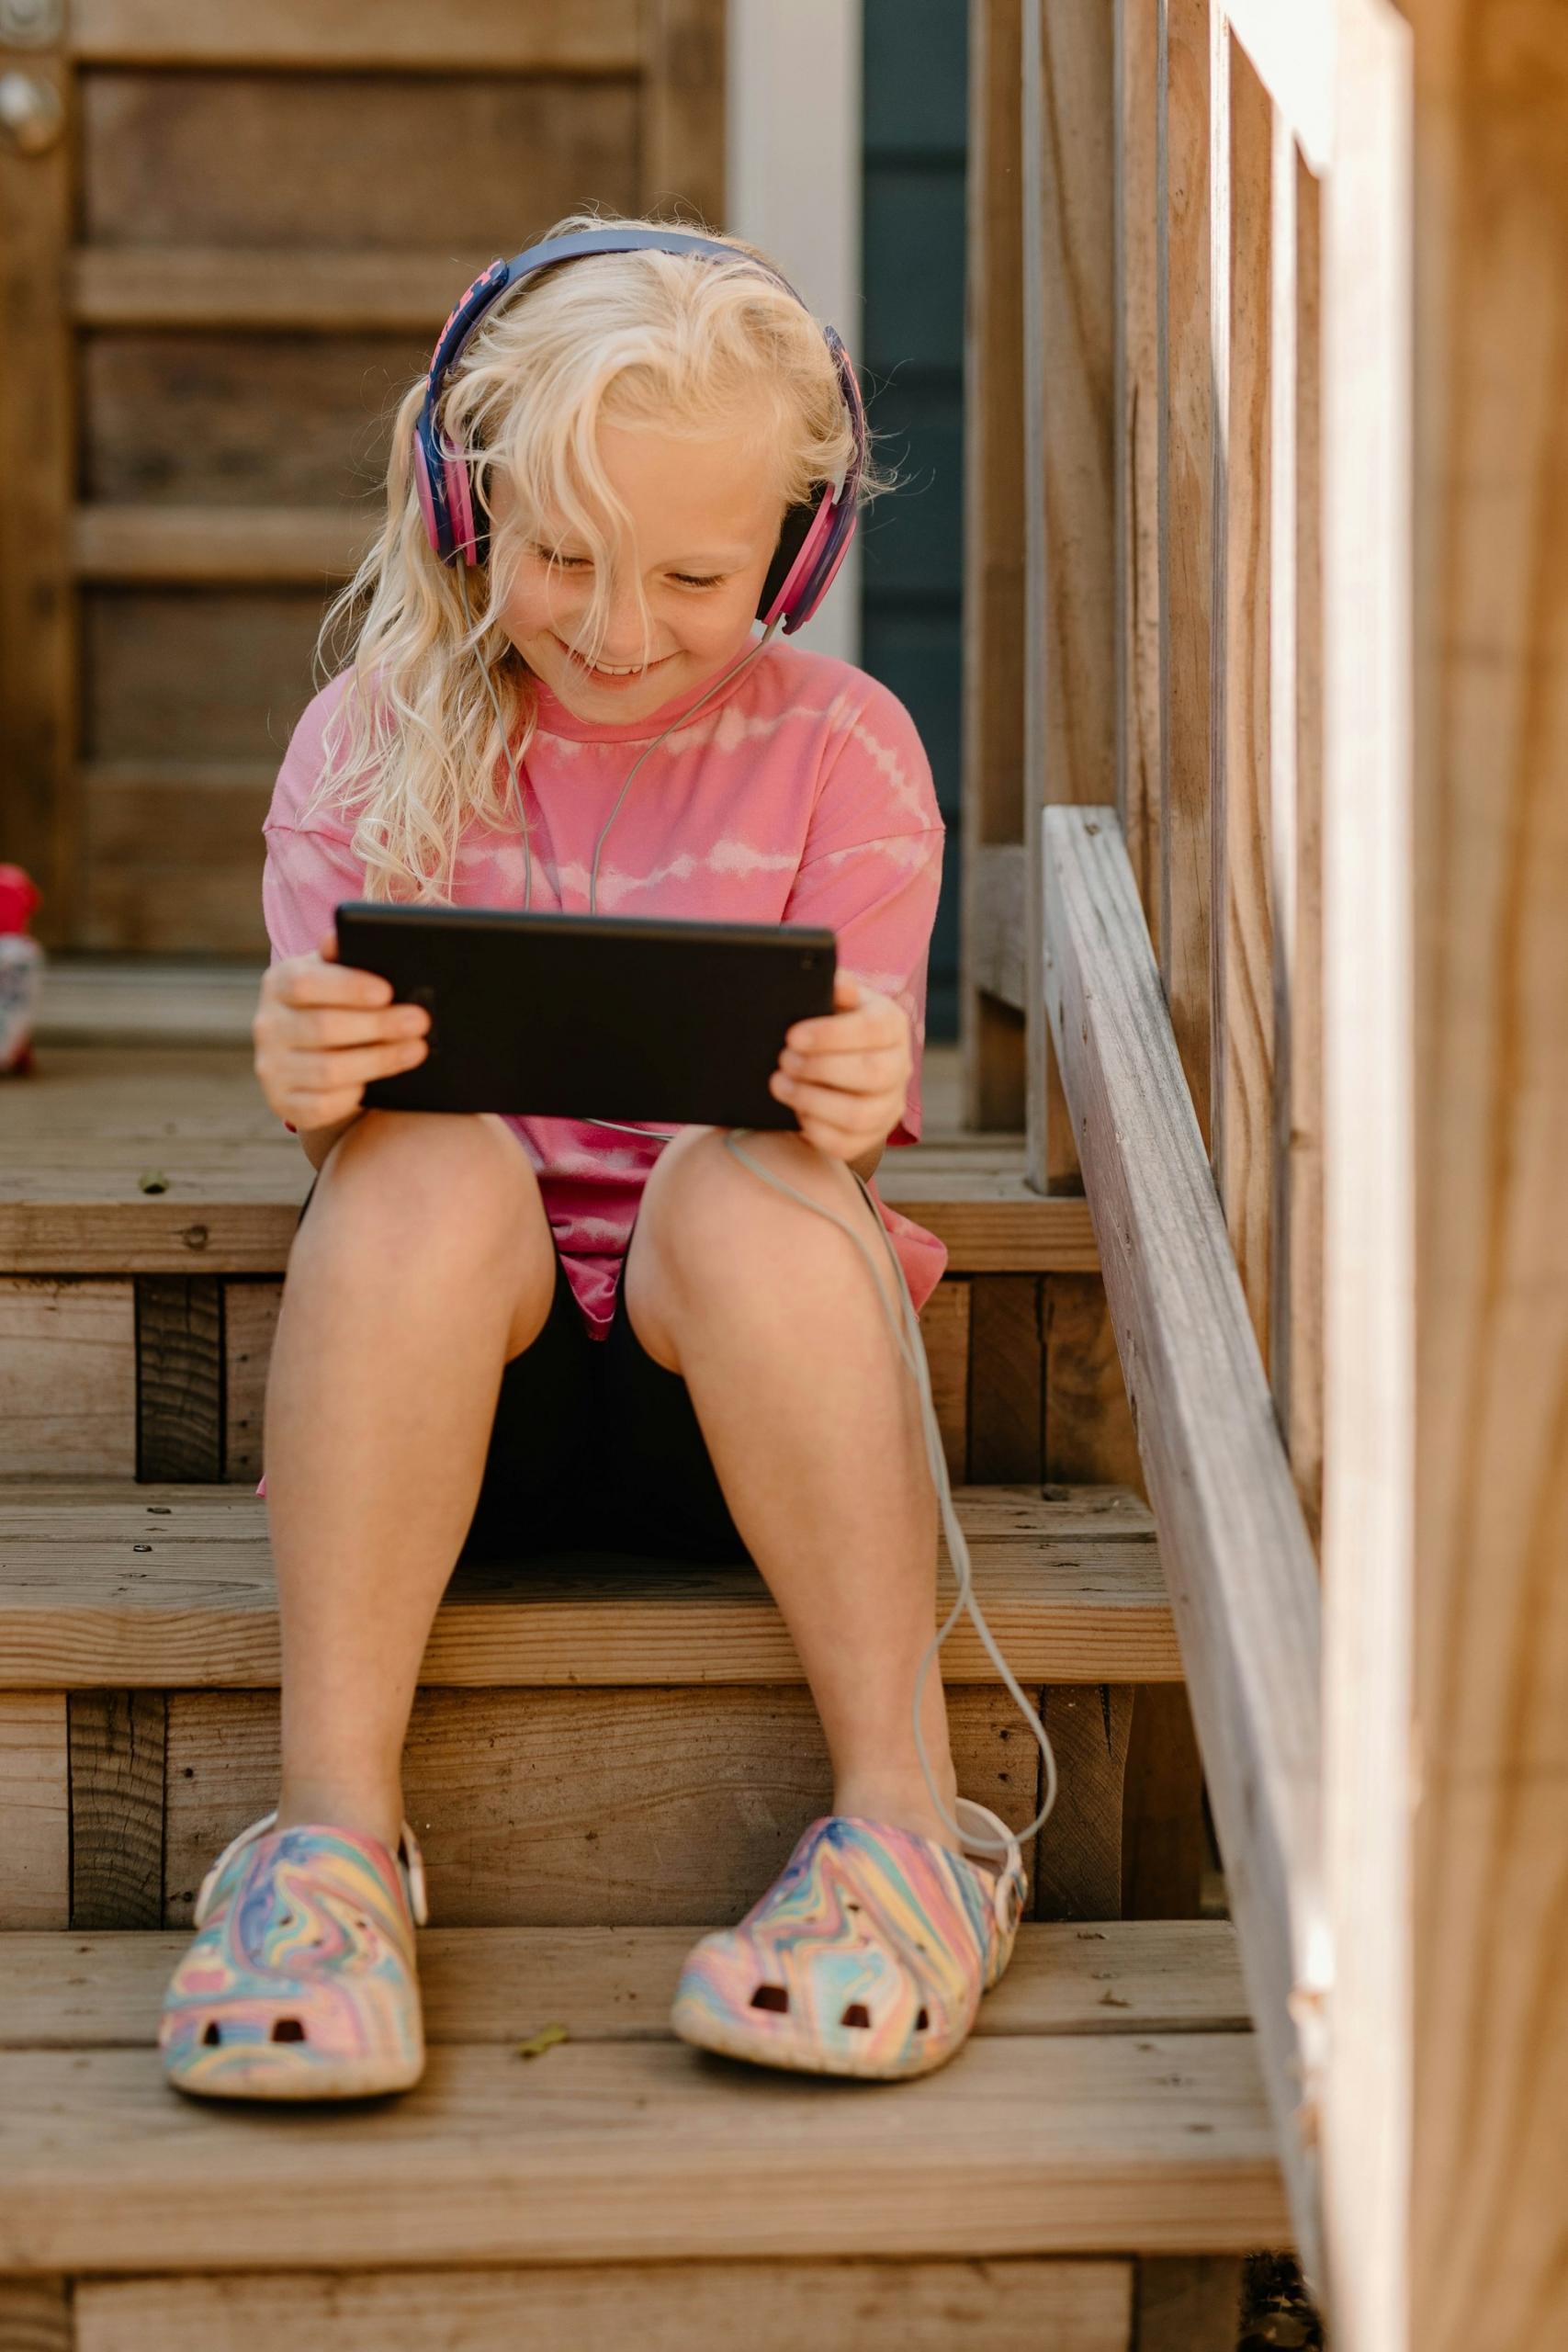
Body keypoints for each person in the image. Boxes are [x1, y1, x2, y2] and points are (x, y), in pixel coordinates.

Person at [157, 213, 1029, 2103]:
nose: (621, 628)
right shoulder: (372, 736)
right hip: (444, 1422)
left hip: (743, 1401)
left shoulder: (845, 752)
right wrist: (309, 1066)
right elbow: (338, 1097)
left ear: (795, 549)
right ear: (468, 515)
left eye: (694, 574)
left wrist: (859, 1085)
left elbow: (839, 1106)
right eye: (562, 557)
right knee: (417, 1167)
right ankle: (327, 1848)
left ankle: (901, 1830)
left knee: (751, 1184)